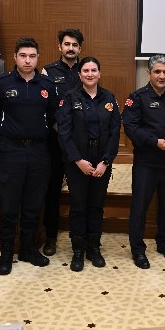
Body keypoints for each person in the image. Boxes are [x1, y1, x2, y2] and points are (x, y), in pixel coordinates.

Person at [0, 37, 56, 275]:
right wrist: (7, 130)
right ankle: (6, 253)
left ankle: (28, 249)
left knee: (33, 205)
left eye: (32, 56)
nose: (28, 60)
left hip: (39, 151)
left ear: (38, 58)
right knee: (8, 205)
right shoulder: (1, 83)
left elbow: (53, 114)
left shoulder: (47, 85)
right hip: (11, 151)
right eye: (23, 56)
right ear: (15, 57)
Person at [123, 55, 165, 269]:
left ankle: (164, 243)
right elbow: (131, 128)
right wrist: (154, 141)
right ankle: (137, 250)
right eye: (157, 71)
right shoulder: (137, 98)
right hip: (147, 163)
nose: (162, 76)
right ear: (148, 73)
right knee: (139, 208)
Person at [56, 57, 120, 272]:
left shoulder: (109, 98)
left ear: (99, 73)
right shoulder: (69, 97)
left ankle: (94, 247)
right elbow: (64, 132)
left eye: (94, 70)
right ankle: (77, 250)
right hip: (77, 161)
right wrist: (77, 160)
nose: (90, 74)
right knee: (79, 206)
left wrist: (106, 161)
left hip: (101, 160)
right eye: (86, 70)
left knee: (96, 205)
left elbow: (115, 133)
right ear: (80, 74)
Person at [40, 28, 84, 256]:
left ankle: (81, 237)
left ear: (80, 48)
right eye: (67, 44)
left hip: (80, 142)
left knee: (80, 190)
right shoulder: (48, 71)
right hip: (55, 141)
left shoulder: (86, 69)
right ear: (60, 46)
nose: (70, 48)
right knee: (53, 190)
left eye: (75, 45)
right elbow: (45, 106)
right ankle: (50, 236)